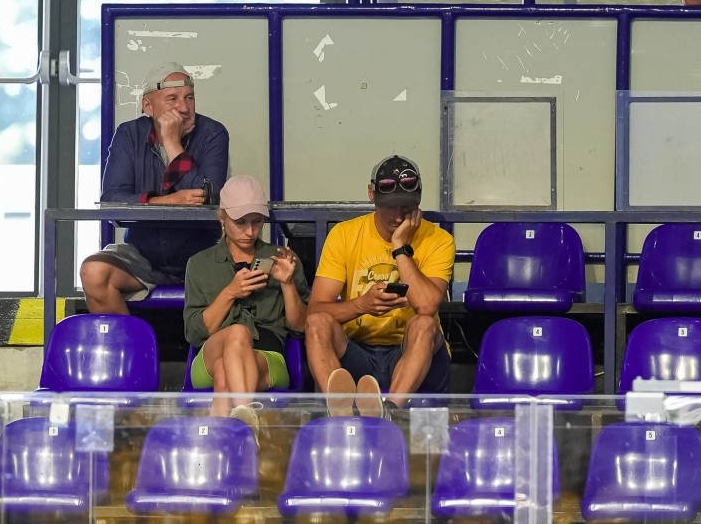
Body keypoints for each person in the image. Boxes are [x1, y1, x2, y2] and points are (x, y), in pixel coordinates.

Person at [304, 155, 455, 418]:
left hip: (410, 352)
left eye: (406, 207)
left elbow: (427, 306)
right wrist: (362, 305)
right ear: (371, 194)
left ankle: (389, 412)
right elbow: (315, 309)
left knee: (424, 323)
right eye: (389, 206)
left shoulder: (439, 239)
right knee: (317, 323)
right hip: (357, 351)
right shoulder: (343, 234)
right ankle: (339, 412)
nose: (397, 216)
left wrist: (400, 247)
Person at [80, 62, 229, 314]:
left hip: (202, 256)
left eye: (189, 97)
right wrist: (170, 201)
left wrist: (172, 143)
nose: (184, 107)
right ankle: (130, 341)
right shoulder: (129, 134)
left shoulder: (213, 133)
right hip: (142, 255)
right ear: (148, 106)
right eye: (172, 99)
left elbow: (209, 198)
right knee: (93, 272)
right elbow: (112, 201)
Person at [183, 175, 309, 439]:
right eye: (240, 222)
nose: (250, 232)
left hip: (267, 354)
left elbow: (300, 327)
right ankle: (247, 421)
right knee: (237, 333)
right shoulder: (200, 264)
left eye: (257, 221)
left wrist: (287, 284)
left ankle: (219, 443)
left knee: (224, 374)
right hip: (211, 351)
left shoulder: (282, 258)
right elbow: (194, 333)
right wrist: (230, 292)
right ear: (222, 217)